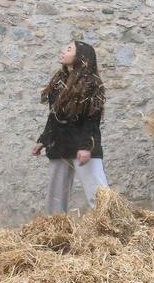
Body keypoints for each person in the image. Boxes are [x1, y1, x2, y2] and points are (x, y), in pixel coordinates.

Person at [32, 40, 108, 213]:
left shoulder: (92, 83)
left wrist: (86, 147)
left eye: (69, 49)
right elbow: (54, 116)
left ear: (81, 57)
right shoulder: (59, 82)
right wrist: (44, 139)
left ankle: (111, 231)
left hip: (84, 146)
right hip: (60, 144)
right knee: (55, 199)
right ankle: (57, 233)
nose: (63, 51)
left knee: (99, 195)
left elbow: (92, 120)